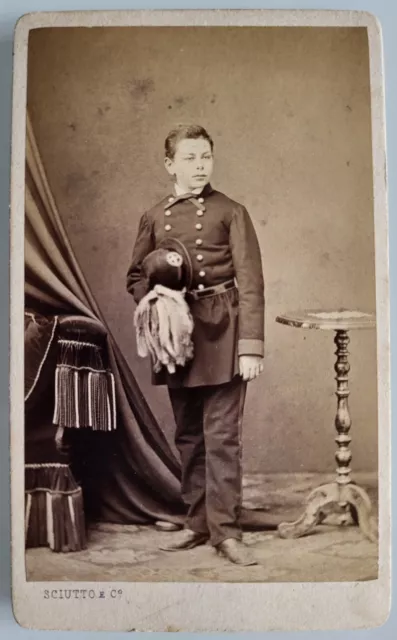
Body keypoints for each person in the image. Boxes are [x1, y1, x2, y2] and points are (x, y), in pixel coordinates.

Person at [126, 124, 265, 566]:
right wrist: (156, 304)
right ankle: (197, 521)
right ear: (170, 165)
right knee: (188, 434)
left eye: (205, 156)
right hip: (178, 337)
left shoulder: (231, 212)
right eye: (189, 158)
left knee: (221, 437)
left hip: (223, 330)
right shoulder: (153, 216)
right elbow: (134, 276)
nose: (199, 166)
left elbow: (252, 283)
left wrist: (251, 345)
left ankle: (226, 531)